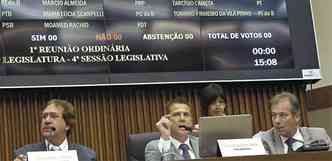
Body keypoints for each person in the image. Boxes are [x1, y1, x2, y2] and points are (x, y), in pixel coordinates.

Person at [13, 99, 97, 161]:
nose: (47, 121)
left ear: (67, 125)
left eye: (53, 116)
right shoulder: (24, 154)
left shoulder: (87, 156)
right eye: (44, 116)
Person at [254, 92, 332, 154]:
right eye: (274, 115)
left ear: (297, 117)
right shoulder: (263, 140)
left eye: (282, 115)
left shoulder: (319, 136)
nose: (277, 121)